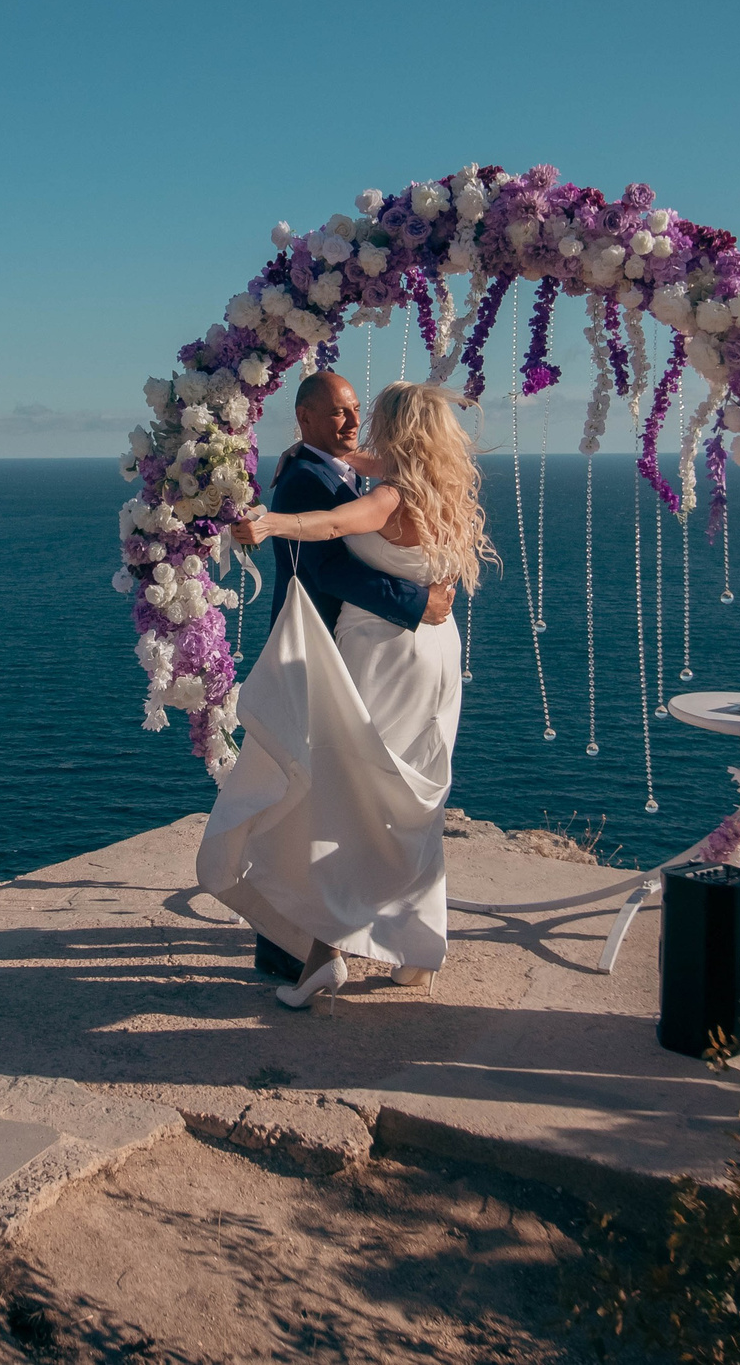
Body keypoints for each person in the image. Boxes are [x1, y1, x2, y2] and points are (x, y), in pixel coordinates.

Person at [200, 380, 492, 1009]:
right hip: (435, 654)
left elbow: (331, 534)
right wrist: (297, 465)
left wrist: (272, 521)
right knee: (406, 795)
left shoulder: (386, 487)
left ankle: (321, 951)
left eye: (364, 413)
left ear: (391, 427)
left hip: (383, 653)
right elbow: (337, 511)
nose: (355, 422)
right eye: (341, 411)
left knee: (346, 793)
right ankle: (414, 948)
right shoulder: (440, 485)